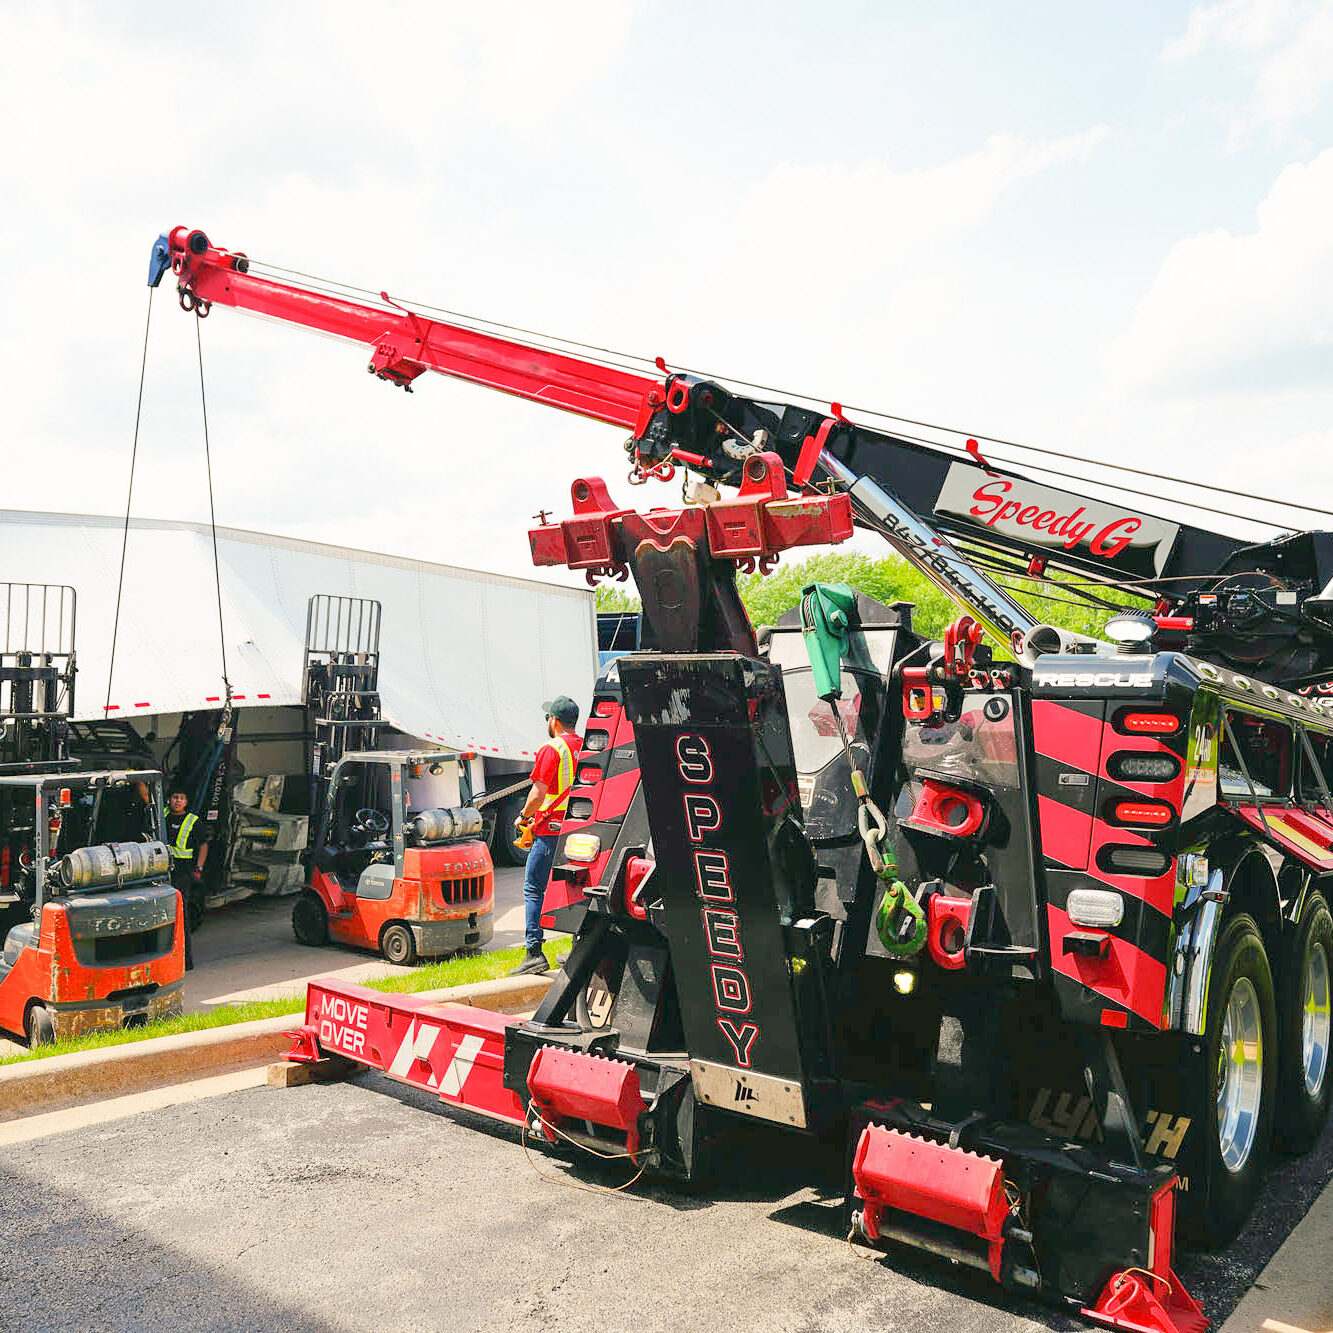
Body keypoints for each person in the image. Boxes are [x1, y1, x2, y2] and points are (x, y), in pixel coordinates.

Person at [510, 696, 582, 976]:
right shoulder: (586, 746)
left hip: (550, 830)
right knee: (575, 888)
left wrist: (525, 817)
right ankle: (578, 947)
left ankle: (534, 952)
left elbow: (538, 793)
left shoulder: (552, 748)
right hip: (578, 830)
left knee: (533, 889)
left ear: (554, 720)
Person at [165, 785, 209, 971]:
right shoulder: (163, 815)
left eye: (181, 798)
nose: (178, 801)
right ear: (169, 799)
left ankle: (185, 961)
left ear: (186, 802)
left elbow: (203, 845)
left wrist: (198, 868)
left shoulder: (193, 821)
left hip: (183, 873)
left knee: (181, 916)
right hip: (164, 871)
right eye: (175, 796)